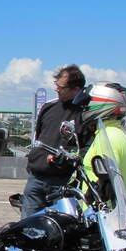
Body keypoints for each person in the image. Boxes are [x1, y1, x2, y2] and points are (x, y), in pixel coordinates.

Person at [21, 65, 94, 217]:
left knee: (60, 232)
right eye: (56, 85)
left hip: (63, 184)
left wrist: (66, 158)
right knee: (27, 229)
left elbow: (88, 149)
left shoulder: (86, 114)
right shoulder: (48, 107)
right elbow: (39, 136)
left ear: (75, 89)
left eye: (61, 86)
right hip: (36, 179)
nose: (56, 89)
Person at [79, 82, 126, 191]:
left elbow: (107, 181)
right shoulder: (122, 134)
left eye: (87, 103)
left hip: (103, 207)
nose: (84, 108)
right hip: (117, 206)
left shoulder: (107, 138)